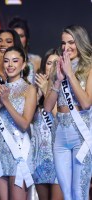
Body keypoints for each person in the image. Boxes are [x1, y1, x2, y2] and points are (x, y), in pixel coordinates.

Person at [44, 25, 92, 200]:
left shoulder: (89, 67)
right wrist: (57, 81)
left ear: (80, 42)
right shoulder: (58, 66)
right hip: (60, 135)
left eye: (71, 42)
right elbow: (48, 107)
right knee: (67, 194)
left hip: (81, 134)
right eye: (63, 43)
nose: (66, 47)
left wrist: (70, 75)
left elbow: (86, 103)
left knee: (79, 193)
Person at [0, 46, 36, 200]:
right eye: (6, 61)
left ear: (23, 65)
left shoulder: (29, 89)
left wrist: (5, 101)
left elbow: (25, 123)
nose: (10, 65)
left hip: (19, 151)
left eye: (15, 61)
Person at [31, 48, 63, 200]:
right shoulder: (35, 90)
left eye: (56, 63)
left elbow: (60, 117)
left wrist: (46, 90)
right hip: (40, 158)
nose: (52, 66)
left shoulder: (66, 91)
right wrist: (36, 96)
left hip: (59, 156)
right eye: (49, 63)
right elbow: (26, 121)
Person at [8, 17, 41, 84]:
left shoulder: (36, 61)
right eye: (15, 36)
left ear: (27, 39)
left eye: (21, 36)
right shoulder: (4, 61)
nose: (18, 39)